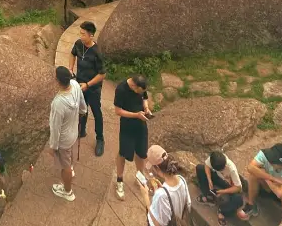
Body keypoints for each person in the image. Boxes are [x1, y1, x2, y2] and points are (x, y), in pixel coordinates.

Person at [48, 65, 87, 203]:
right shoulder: (76, 85)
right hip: (73, 132)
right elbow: (83, 105)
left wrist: (53, 146)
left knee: (65, 167)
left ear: (57, 81)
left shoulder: (58, 103)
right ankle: (70, 170)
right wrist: (82, 112)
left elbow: (55, 127)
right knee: (69, 155)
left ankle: (67, 191)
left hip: (63, 140)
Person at [69, 21, 106, 157]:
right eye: (81, 33)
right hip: (79, 84)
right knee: (81, 109)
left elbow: (102, 74)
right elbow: (72, 54)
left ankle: (100, 139)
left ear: (91, 35)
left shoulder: (97, 53)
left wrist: (88, 85)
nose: (81, 36)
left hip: (93, 88)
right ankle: (81, 130)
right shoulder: (79, 44)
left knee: (96, 112)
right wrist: (70, 69)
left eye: (83, 34)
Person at [114, 73, 151, 201]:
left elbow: (144, 97)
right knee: (123, 153)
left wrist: (146, 107)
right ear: (134, 86)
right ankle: (119, 180)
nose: (139, 94)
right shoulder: (121, 89)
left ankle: (140, 177)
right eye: (138, 91)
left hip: (141, 124)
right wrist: (136, 115)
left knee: (141, 153)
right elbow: (118, 111)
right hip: (127, 125)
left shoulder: (141, 87)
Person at [245, 143, 282, 220]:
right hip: (272, 187)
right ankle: (251, 204)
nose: (269, 160)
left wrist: (264, 175)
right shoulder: (266, 154)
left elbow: (281, 194)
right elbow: (250, 168)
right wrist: (271, 178)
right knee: (253, 175)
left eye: (272, 161)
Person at [195, 150, 249, 223]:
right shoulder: (214, 158)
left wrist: (223, 192)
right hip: (218, 177)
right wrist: (209, 179)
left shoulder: (231, 168)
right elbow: (207, 165)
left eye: (222, 169)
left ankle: (222, 210)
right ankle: (208, 196)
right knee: (200, 168)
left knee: (238, 199)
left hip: (228, 184)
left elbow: (238, 188)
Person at [144, 154, 191, 226]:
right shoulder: (181, 179)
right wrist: (162, 188)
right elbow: (187, 204)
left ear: (157, 169)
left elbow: (157, 224)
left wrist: (147, 202)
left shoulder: (161, 194)